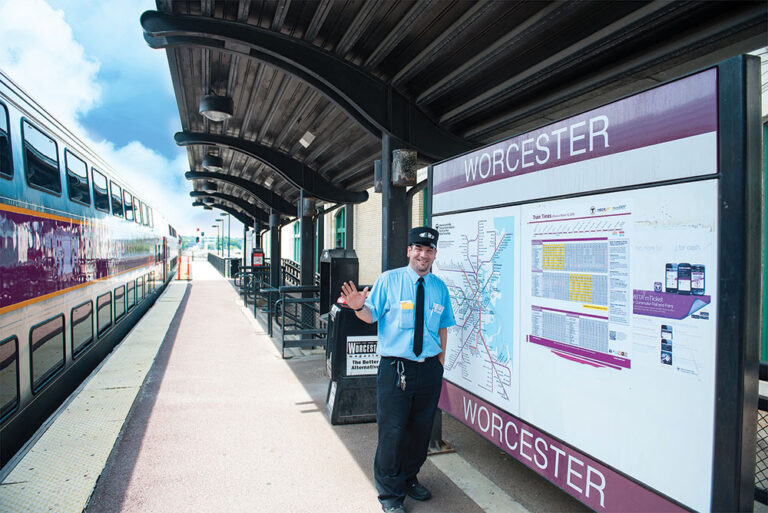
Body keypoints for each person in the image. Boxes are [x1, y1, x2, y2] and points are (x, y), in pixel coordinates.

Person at [340, 226, 455, 513]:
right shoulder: (389, 281)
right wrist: (357, 308)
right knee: (393, 432)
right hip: (395, 369)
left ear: (435, 254)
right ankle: (390, 496)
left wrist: (439, 364)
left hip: (428, 370)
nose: (423, 255)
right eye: (418, 249)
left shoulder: (440, 288)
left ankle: (408, 478)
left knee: (420, 431)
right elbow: (370, 316)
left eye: (429, 251)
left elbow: (442, 328)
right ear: (409, 251)